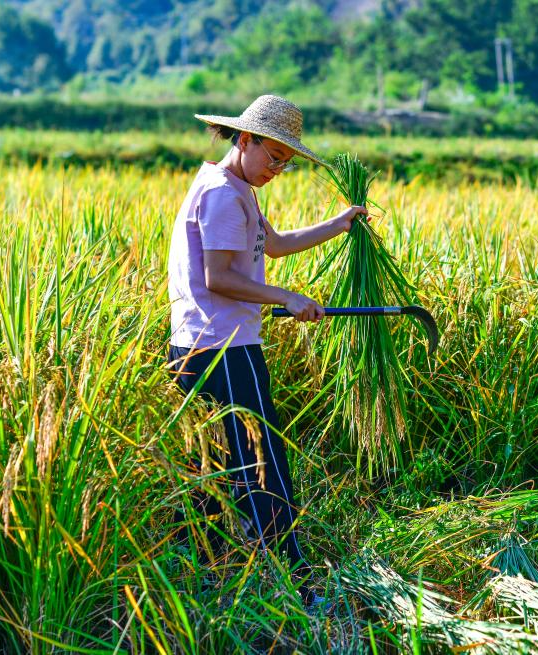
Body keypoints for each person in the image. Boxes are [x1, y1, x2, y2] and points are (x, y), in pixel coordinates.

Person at [166, 95, 365, 604]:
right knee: (262, 461)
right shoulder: (223, 195)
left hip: (203, 345)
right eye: (273, 156)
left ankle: (207, 580)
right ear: (246, 138)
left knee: (213, 465)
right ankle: (298, 583)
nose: (278, 168)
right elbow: (220, 277)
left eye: (287, 162)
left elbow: (269, 246)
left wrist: (337, 225)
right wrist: (287, 297)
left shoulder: (236, 187)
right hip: (224, 350)